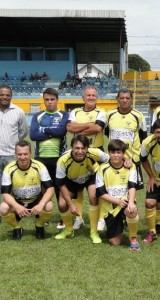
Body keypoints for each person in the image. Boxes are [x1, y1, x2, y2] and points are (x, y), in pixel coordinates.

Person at [0, 85, 28, 225]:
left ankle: (15, 211)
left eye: (7, 95)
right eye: (2, 94)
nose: (5, 97)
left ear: (11, 96)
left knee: (14, 187)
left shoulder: (18, 112)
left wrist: (12, 144)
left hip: (11, 155)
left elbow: (23, 132)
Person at [54, 135, 109, 243]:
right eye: (77, 148)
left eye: (83, 148)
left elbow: (111, 160)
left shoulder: (95, 153)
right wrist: (71, 204)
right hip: (71, 181)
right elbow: (61, 184)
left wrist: (126, 161)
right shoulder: (63, 160)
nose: (80, 151)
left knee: (94, 197)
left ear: (87, 148)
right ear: (71, 147)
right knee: (62, 204)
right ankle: (68, 230)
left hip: (90, 177)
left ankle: (94, 233)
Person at [66, 85, 107, 230]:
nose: (91, 97)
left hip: (96, 154)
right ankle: (79, 218)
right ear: (83, 97)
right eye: (88, 95)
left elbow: (98, 128)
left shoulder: (101, 112)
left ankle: (101, 218)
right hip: (78, 153)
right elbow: (70, 128)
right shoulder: (75, 111)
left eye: (93, 95)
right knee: (77, 189)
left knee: (97, 190)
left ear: (97, 97)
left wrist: (80, 127)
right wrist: (89, 124)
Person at [30, 88, 69, 229]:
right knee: (42, 189)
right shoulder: (37, 116)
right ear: (44, 101)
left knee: (60, 189)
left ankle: (63, 218)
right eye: (47, 99)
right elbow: (33, 135)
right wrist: (53, 132)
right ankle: (43, 216)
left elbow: (61, 131)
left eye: (52, 99)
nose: (49, 102)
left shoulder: (64, 115)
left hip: (59, 158)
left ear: (57, 100)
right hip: (41, 158)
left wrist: (45, 130)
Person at [0, 141, 55, 240]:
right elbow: (5, 193)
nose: (23, 157)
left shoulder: (39, 166)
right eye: (19, 154)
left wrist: (41, 205)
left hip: (36, 201)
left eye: (25, 154)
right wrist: (17, 207)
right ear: (15, 154)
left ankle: (39, 225)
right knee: (3, 208)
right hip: (18, 202)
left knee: (49, 205)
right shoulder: (9, 169)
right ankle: (17, 227)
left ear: (30, 154)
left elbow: (50, 189)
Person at [95, 140, 140, 251]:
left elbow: (132, 186)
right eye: (113, 152)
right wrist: (117, 201)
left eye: (118, 152)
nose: (116, 155)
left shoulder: (130, 167)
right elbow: (100, 193)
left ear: (123, 153)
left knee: (132, 211)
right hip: (110, 207)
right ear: (109, 153)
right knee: (115, 242)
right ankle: (117, 224)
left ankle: (133, 239)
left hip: (125, 202)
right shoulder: (102, 169)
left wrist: (130, 202)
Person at [105, 88, 148, 188]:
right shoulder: (110, 115)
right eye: (122, 98)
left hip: (133, 160)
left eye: (127, 98)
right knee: (114, 187)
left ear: (131, 99)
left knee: (132, 191)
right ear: (117, 99)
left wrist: (135, 158)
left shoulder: (138, 116)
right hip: (115, 159)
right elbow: (107, 133)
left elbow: (143, 138)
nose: (124, 100)